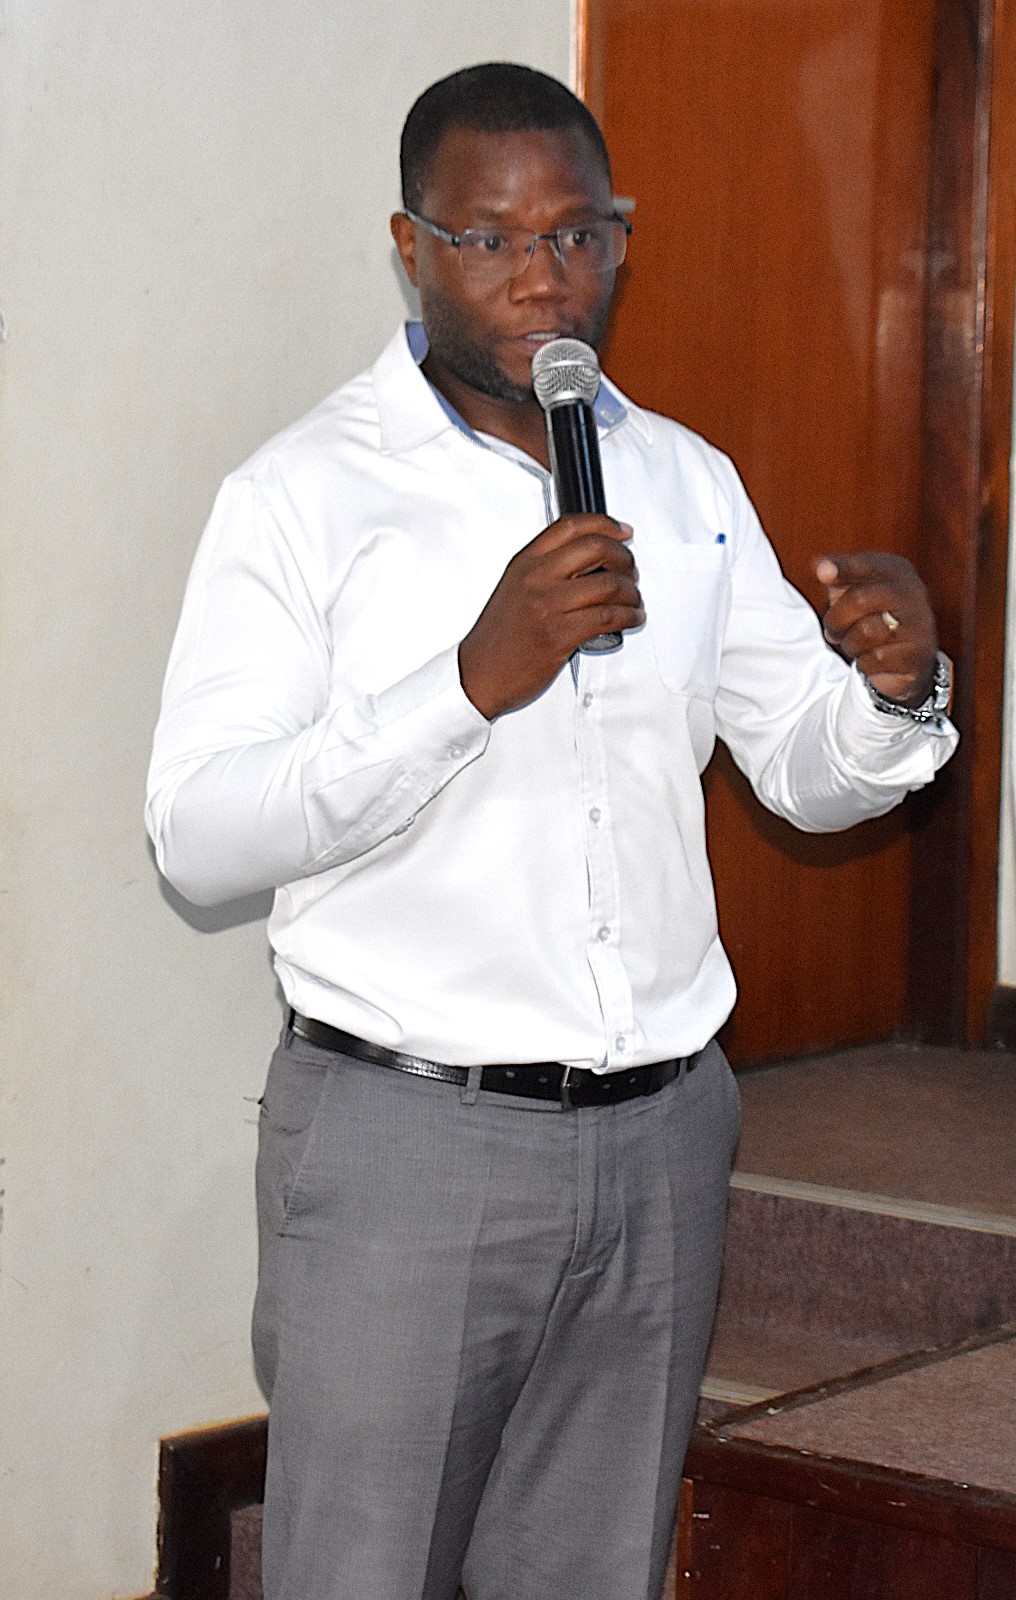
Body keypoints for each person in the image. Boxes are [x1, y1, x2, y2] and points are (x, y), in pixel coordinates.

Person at [146, 61, 957, 1600]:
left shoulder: (683, 479)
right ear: (409, 246)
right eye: (495, 240)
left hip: (659, 1140)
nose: (545, 278)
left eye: (581, 234)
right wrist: (469, 683)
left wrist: (896, 701)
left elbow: (802, 766)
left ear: (620, 239)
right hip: (408, 1146)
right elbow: (197, 836)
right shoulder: (306, 496)